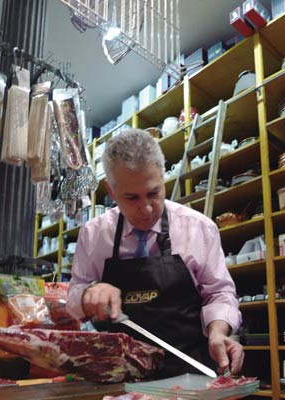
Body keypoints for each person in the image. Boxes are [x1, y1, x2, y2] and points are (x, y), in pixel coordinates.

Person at [67, 128, 244, 377]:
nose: (147, 208)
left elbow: (220, 293)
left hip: (189, 372)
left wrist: (218, 331)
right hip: (117, 376)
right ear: (111, 191)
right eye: (131, 198)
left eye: (154, 193)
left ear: (163, 178)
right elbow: (72, 297)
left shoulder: (199, 228)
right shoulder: (94, 234)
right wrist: (87, 293)